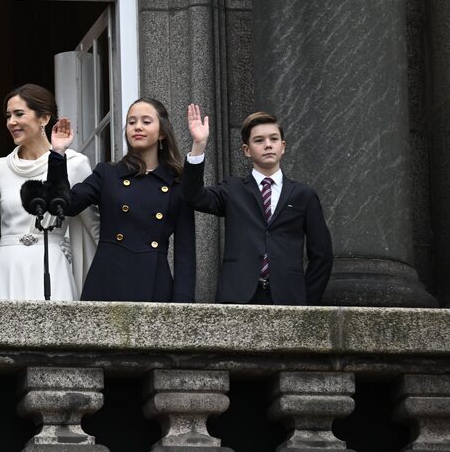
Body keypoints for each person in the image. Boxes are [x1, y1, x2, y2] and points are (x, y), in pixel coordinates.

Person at [47, 98, 196, 302]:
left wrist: (184, 306)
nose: (137, 127)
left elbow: (185, 252)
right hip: (107, 280)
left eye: (146, 121)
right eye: (132, 122)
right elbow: (66, 205)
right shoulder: (107, 174)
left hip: (154, 284)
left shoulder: (176, 184)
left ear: (162, 132)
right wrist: (57, 154)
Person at [183, 105, 333, 305]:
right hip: (238, 297)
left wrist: (307, 303)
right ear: (247, 150)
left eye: (274, 139)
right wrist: (199, 145)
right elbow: (194, 197)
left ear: (283, 146)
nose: (268, 145)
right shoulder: (233, 189)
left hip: (289, 298)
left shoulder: (303, 194)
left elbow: (322, 254)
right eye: (259, 140)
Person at [0, 84, 99, 300]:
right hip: (7, 268)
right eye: (8, 116)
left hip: (53, 264)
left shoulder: (74, 164)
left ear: (44, 118)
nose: (11, 122)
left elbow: (94, 227)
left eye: (19, 114)